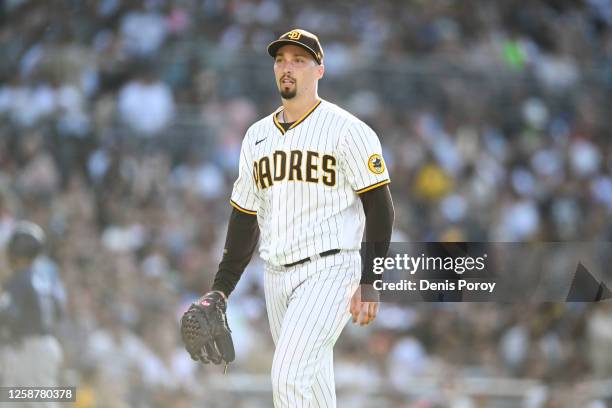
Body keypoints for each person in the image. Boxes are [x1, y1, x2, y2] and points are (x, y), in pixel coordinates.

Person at [181, 29, 394, 407]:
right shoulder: (257, 136)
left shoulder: (349, 131)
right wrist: (221, 288)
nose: (287, 67)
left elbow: (380, 207)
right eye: (281, 60)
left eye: (299, 60)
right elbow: (245, 218)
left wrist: (370, 279)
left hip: (331, 270)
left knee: (288, 376)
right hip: (276, 276)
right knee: (313, 392)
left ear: (319, 70)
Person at [0, 221, 66, 403]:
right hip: (47, 345)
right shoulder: (47, 277)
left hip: (28, 349)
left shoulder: (19, 278)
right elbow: (60, 312)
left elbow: (8, 315)